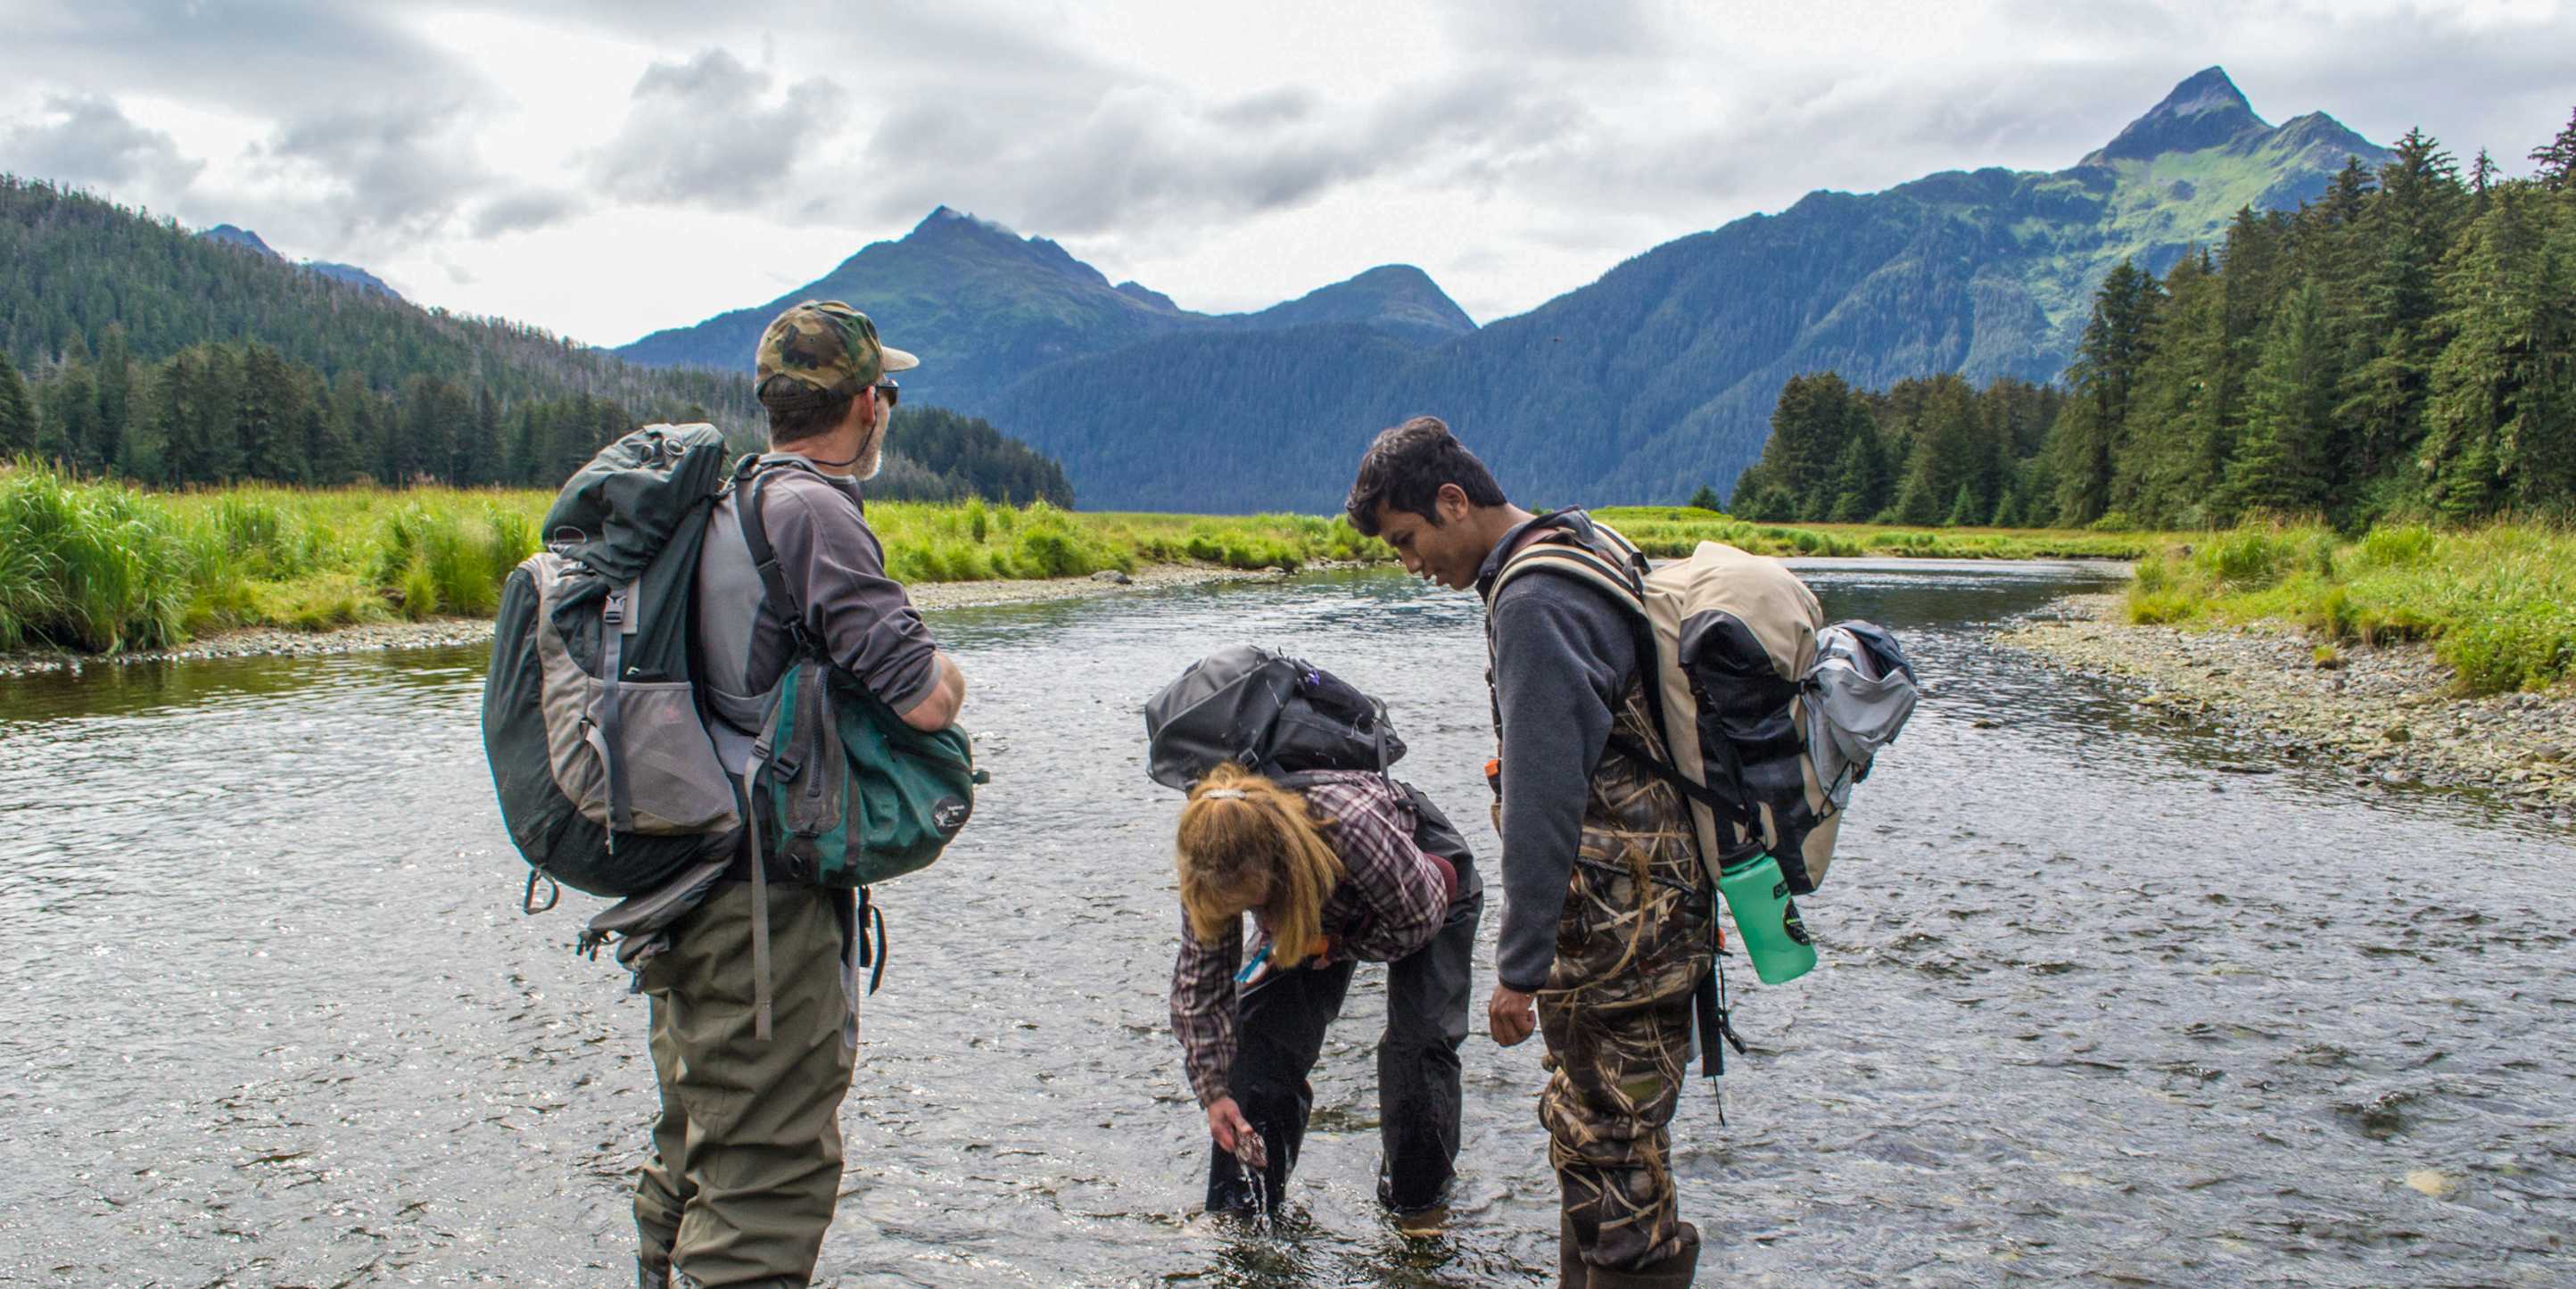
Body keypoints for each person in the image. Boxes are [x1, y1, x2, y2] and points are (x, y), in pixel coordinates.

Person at [632, 301, 968, 1289]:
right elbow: (921, 699)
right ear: (868, 402)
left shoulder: (728, 497)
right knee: (769, 1173)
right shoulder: (812, 508)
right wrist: (951, 673)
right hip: (756, 895)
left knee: (696, 1146)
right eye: (887, 394)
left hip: (684, 868)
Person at [1345, 417, 1715, 1288]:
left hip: (1613, 941)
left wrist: (1518, 969)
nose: (1409, 562)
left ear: (1451, 500)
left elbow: (1546, 799)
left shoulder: (1531, 600)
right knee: (1599, 1154)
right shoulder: (1579, 541)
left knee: (1614, 1176)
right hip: (1664, 914)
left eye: (1407, 538)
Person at [1168, 762, 1482, 1226]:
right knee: (1257, 1042)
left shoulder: (1347, 828)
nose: (1248, 915)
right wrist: (1213, 1093)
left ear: (1270, 866)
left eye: (1253, 904)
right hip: (1308, 907)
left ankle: (1419, 1212)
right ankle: (1244, 1214)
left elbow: (1418, 920)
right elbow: (1199, 989)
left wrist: (1334, 946)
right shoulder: (1209, 864)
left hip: (1425, 887)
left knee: (1417, 1050)